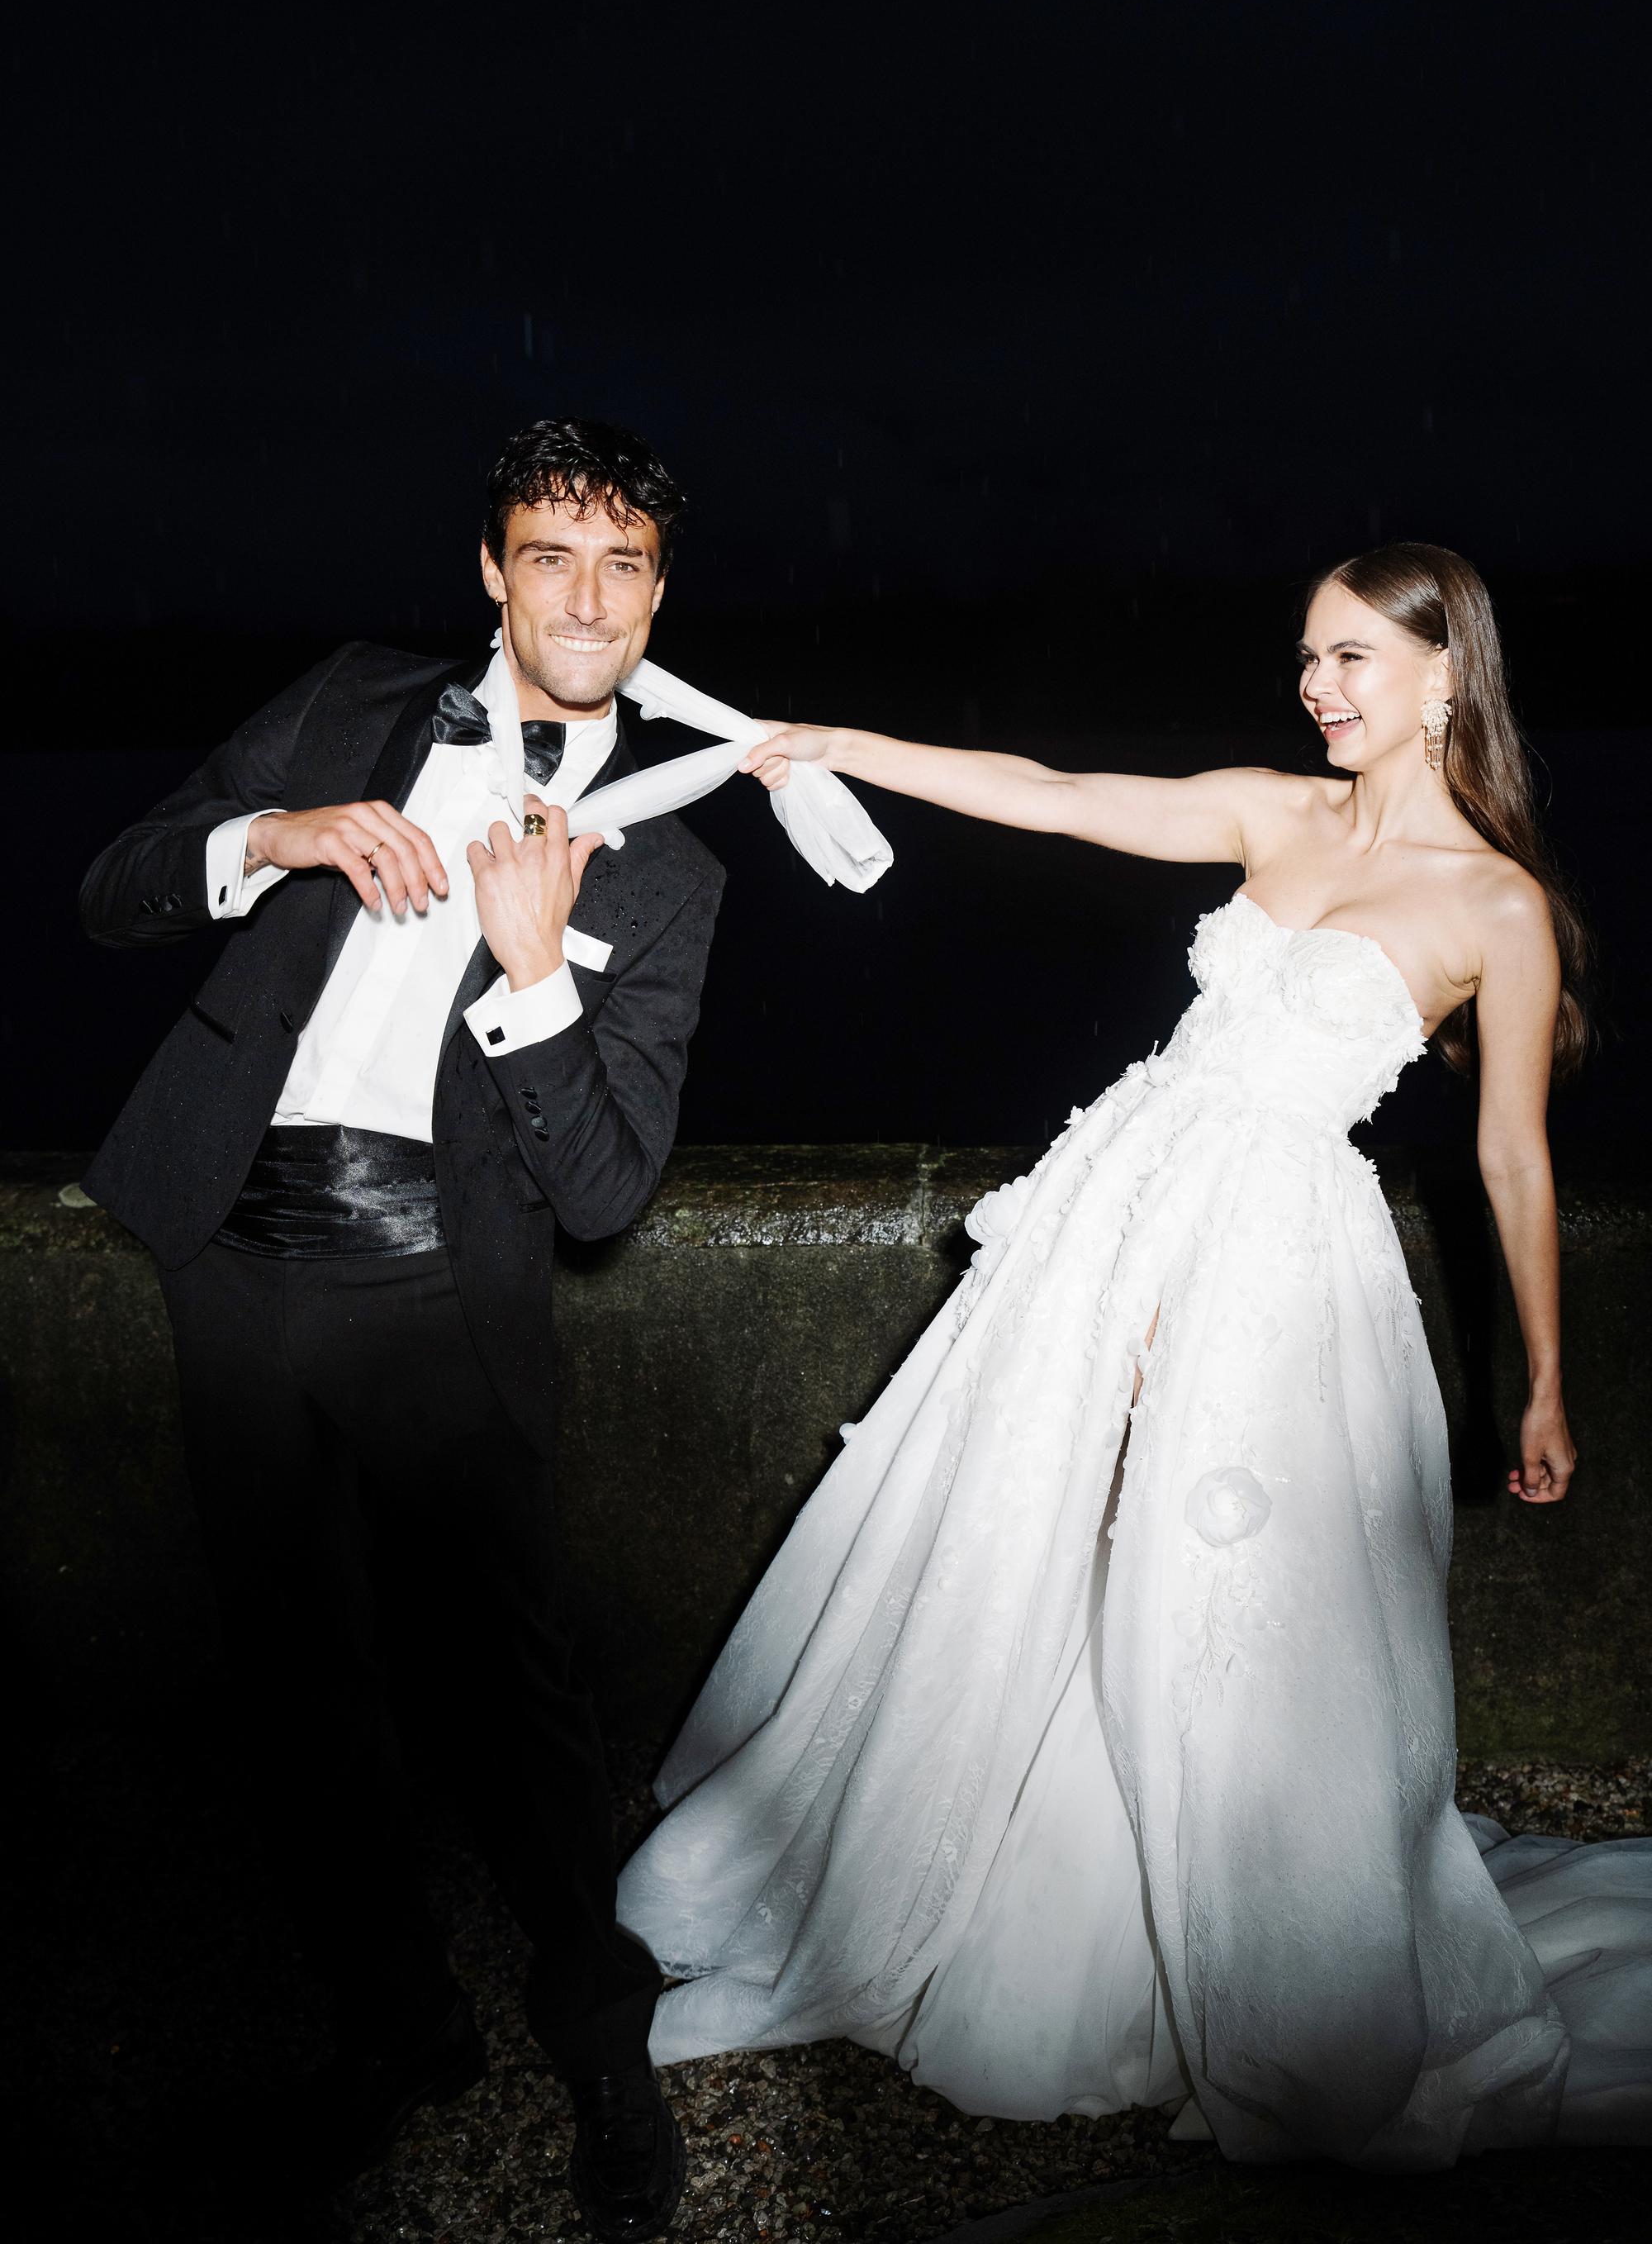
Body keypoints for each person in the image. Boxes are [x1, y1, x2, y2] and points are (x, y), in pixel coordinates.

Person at [619, 543, 1652, 2166]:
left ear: (1446, 673)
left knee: (1223, 1607)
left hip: (1274, 1266)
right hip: (1115, 1214)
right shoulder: (1269, 810)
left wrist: (1543, 1380)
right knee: (1040, 1549)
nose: (1314, 687)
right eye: (1305, 656)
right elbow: (1049, 794)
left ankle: (1264, 1958)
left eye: (1350, 659)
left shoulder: (1495, 905)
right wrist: (838, 745)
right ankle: (1044, 1908)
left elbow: (1513, 1158)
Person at [81, 416, 721, 2238]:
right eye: (549, 557)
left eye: (621, 565)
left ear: (658, 594)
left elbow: (603, 1196)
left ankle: (600, 2048)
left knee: (516, 1703)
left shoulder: (670, 861)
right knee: (298, 1688)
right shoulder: (351, 699)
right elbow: (114, 889)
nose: (583, 599)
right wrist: (270, 836)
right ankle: (397, 2030)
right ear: (491, 573)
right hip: (230, 1250)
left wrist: (536, 974)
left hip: (441, 1286)